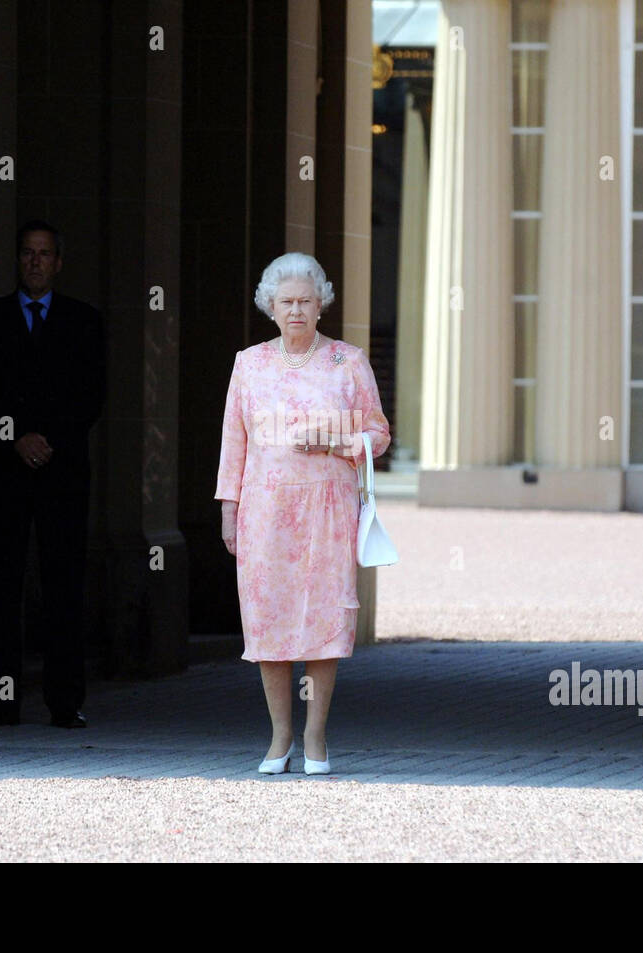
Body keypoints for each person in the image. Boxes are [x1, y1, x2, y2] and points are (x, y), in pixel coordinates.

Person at [215, 252, 390, 775]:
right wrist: (229, 509)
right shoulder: (250, 363)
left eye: (306, 302)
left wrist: (335, 441)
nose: (296, 310)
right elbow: (233, 444)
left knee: (322, 617)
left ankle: (315, 735)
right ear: (270, 306)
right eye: (286, 302)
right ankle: (279, 736)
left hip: (327, 511)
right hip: (264, 512)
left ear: (321, 306)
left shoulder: (347, 362)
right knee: (268, 620)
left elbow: (378, 435)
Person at [0, 221, 107, 729]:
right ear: (17, 259)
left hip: (62, 474)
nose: (35, 262)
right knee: (2, 585)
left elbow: (92, 396)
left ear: (59, 262)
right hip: (3, 475)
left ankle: (65, 704)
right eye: (27, 253)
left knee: (63, 585)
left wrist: (50, 442)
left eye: (45, 254)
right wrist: (16, 438)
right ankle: (1, 702)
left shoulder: (85, 322)